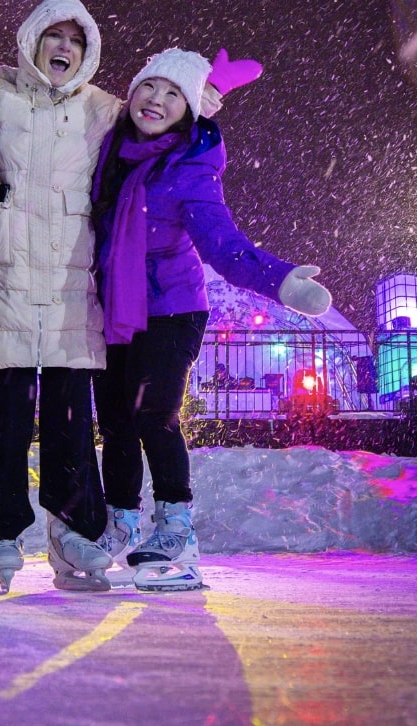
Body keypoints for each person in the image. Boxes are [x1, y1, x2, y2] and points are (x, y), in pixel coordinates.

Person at [90, 48, 332, 591]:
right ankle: (121, 521)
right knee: (116, 423)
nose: (157, 101)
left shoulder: (190, 166)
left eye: (174, 94)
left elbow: (223, 246)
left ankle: (177, 530)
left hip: (172, 308)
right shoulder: (109, 150)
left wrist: (281, 281)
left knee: (153, 415)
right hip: (114, 306)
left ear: (188, 110)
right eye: (151, 87)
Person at [0, 0, 121, 591]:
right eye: (55, 37)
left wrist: (196, 98)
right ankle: (1, 530)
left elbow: (159, 123)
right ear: (31, 41)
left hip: (70, 283)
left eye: (76, 40)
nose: (65, 48)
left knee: (71, 417)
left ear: (88, 52)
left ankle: (73, 530)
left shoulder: (103, 110)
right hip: (0, 278)